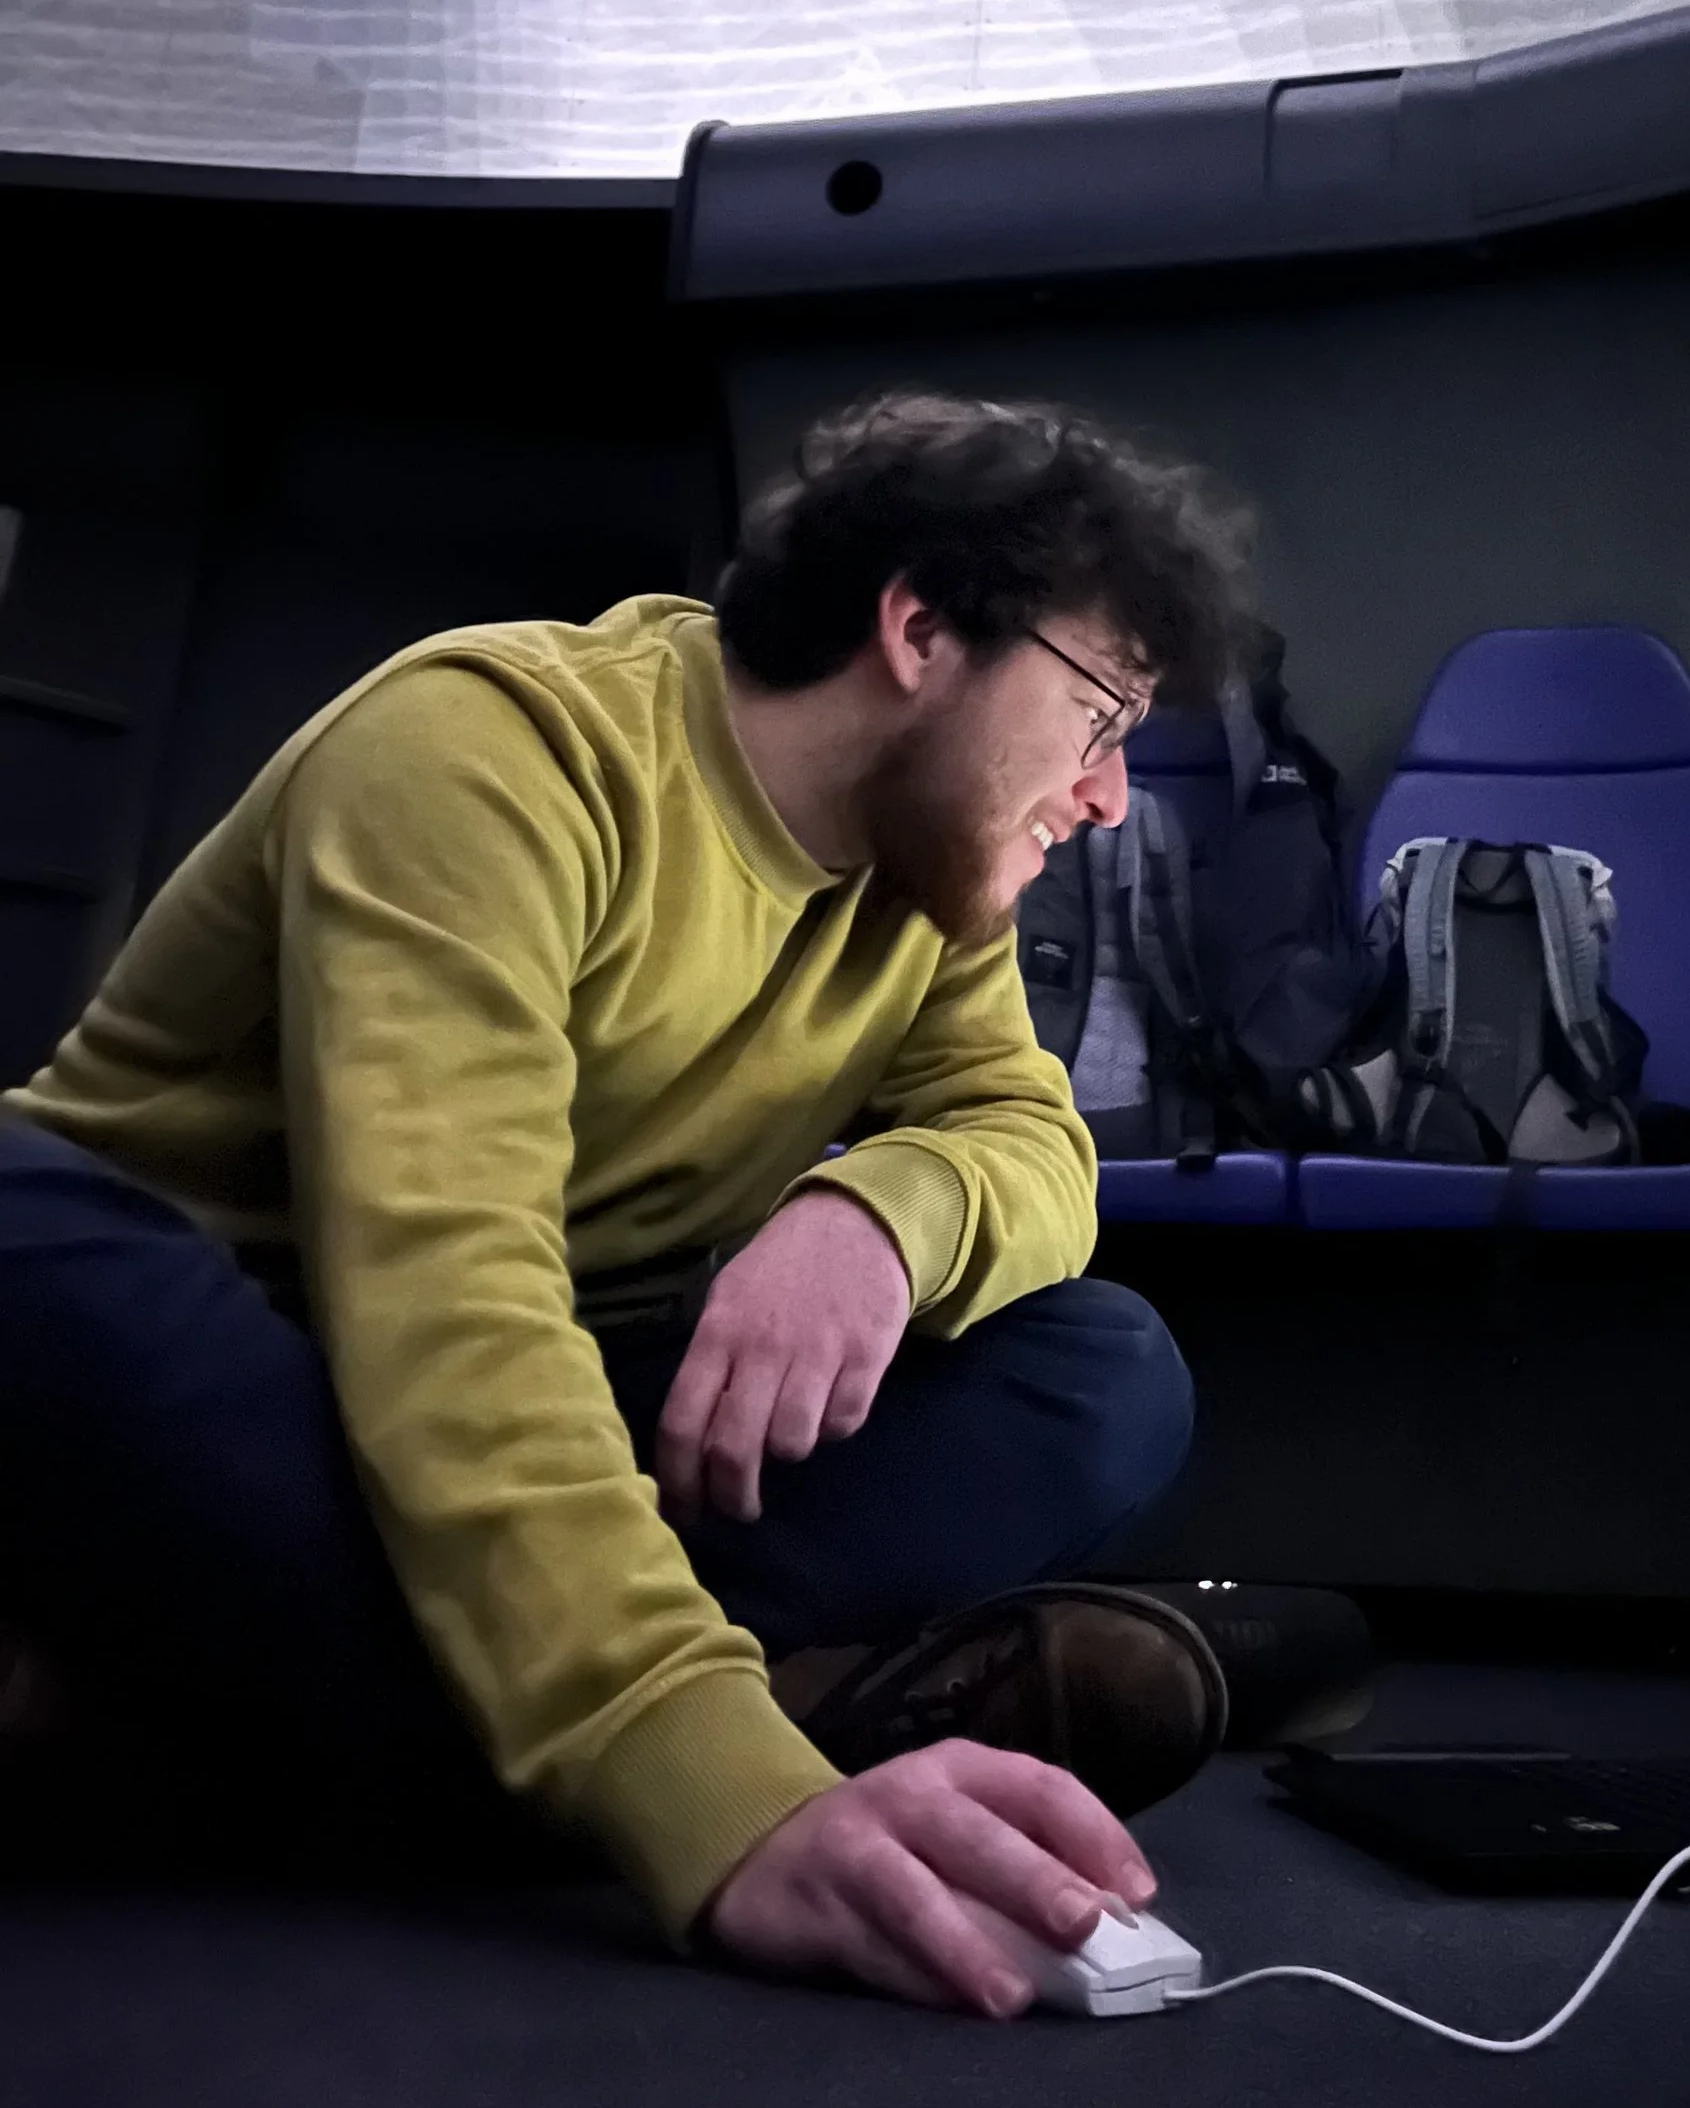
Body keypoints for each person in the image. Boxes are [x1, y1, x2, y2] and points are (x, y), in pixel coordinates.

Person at [0, 389, 1256, 2019]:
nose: (1104, 796)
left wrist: (880, 1216)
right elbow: (452, 1302)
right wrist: (727, 1803)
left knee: (1103, 1370)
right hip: (237, 1384)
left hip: (540, 1433)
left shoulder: (929, 882)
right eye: (1100, 716)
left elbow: (1027, 1139)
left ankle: (260, 1724)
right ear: (921, 628)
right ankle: (703, 1735)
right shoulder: (488, 750)